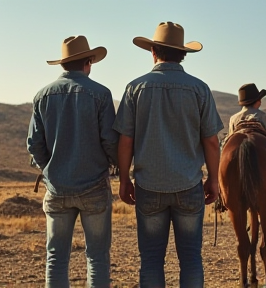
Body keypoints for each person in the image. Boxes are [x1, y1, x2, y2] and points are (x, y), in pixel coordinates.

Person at [113, 22, 224, 288]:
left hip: (149, 187)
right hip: (188, 186)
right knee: (191, 259)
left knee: (151, 259)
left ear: (153, 51)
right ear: (182, 54)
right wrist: (213, 179)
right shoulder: (200, 89)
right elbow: (211, 141)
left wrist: (125, 179)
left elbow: (125, 141)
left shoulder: (134, 88)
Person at [27, 35, 118, 288]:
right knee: (97, 257)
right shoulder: (101, 94)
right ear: (88, 61)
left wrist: (49, 170)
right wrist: (114, 164)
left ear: (63, 64)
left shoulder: (42, 96)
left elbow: (34, 144)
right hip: (94, 187)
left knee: (55, 257)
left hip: (57, 189)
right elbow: (110, 141)